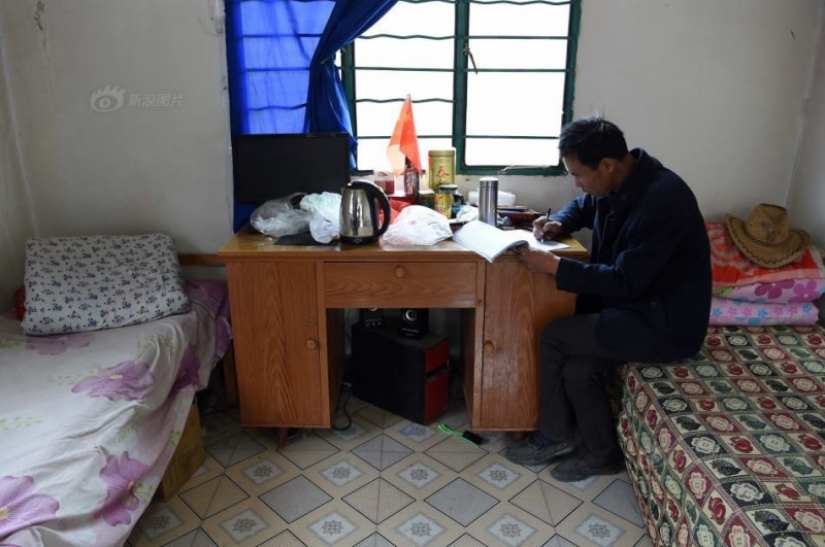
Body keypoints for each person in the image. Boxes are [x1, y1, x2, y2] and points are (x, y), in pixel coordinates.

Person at [502, 116, 711, 482]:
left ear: (608, 165)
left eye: (578, 175)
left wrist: (554, 267)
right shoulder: (622, 182)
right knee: (578, 369)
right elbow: (585, 205)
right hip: (634, 308)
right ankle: (602, 454)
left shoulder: (664, 200)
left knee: (555, 336)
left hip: (664, 323)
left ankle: (553, 436)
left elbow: (625, 280)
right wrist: (560, 222)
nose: (576, 183)